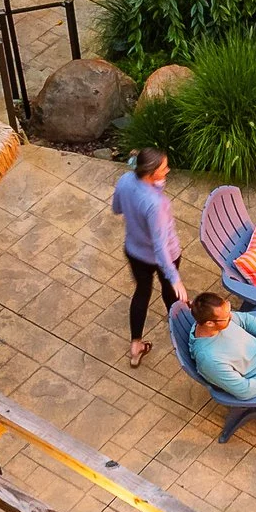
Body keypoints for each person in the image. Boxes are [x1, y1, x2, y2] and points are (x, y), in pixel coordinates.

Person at [112, 147, 187, 367]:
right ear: (151, 172)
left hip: (135, 252)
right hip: (165, 256)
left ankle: (136, 345)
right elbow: (160, 246)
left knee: (142, 293)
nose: (168, 170)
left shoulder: (125, 180)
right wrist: (174, 278)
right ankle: (181, 335)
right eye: (164, 168)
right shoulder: (157, 204)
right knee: (169, 293)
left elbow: (116, 208)